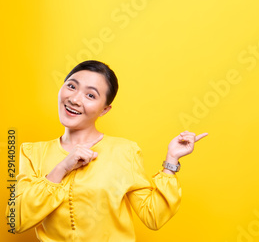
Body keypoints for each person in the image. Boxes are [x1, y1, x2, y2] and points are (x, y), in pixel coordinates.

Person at [5, 60, 208, 241]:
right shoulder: (31, 152)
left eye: (90, 95)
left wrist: (171, 160)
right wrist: (62, 167)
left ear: (104, 109)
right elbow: (16, 222)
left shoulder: (125, 151)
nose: (75, 99)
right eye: (71, 86)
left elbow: (153, 216)